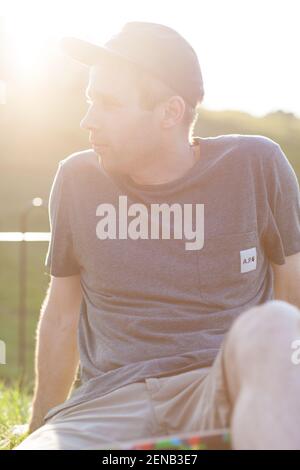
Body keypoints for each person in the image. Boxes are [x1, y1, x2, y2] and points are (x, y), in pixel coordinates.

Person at [15, 21, 300, 450]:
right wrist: (39, 426)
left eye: (108, 104)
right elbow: (61, 313)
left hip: (219, 390)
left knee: (276, 324)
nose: (87, 119)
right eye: (90, 99)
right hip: (109, 402)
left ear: (170, 112)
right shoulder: (76, 178)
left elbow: (293, 289)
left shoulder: (256, 164)